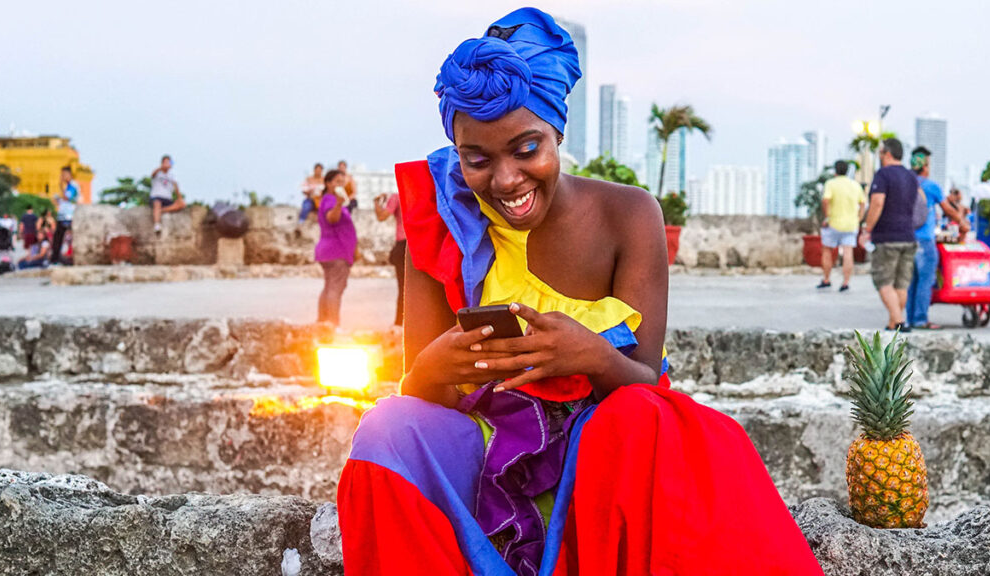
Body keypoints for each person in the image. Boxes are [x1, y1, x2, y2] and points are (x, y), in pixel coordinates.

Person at [336, 9, 822, 576]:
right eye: (477, 160)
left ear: (557, 133)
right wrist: (431, 368)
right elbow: (419, 394)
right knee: (386, 426)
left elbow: (646, 383)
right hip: (488, 453)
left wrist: (588, 356)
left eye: (526, 149)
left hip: (600, 466)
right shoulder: (441, 218)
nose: (506, 180)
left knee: (650, 418)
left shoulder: (629, 214)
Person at [906, 147, 970, 330]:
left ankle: (910, 318)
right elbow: (948, 210)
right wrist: (962, 223)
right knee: (926, 281)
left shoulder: (906, 184)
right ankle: (920, 319)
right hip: (925, 240)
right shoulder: (931, 186)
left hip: (908, 239)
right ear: (925, 166)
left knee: (912, 282)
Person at [860, 138, 918, 332]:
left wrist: (867, 229)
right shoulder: (911, 177)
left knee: (884, 281)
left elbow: (877, 203)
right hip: (908, 236)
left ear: (887, 154)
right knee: (901, 284)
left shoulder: (883, 175)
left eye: (880, 153)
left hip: (886, 237)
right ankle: (893, 322)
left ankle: (900, 321)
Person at [315, 169, 358, 326]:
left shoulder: (329, 200)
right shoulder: (331, 200)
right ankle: (332, 324)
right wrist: (339, 203)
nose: (341, 185)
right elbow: (331, 218)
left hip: (330, 250)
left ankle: (322, 323)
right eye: (337, 182)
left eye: (343, 182)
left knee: (329, 287)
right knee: (335, 289)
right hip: (335, 251)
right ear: (328, 183)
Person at [818, 160, 866, 291]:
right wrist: (859, 219)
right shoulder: (855, 185)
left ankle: (826, 279)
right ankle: (845, 282)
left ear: (835, 171)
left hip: (833, 223)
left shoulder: (831, 184)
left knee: (827, 250)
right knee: (848, 252)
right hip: (851, 225)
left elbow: (826, 200)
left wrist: (827, 217)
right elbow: (862, 203)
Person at [373, 191, 406, 325]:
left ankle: (399, 322)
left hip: (403, 244)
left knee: (403, 288)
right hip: (420, 244)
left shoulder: (397, 197)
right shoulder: (425, 193)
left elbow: (382, 216)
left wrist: (376, 203)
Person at [150, 155, 187, 234]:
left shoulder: (172, 176)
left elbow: (176, 188)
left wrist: (180, 198)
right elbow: (152, 174)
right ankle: (157, 225)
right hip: (157, 197)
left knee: (182, 204)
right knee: (157, 203)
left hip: (168, 198)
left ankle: (160, 211)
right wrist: (161, 167)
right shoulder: (158, 173)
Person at [52, 167, 79, 264]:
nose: (62, 177)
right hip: (63, 215)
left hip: (68, 216)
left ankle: (57, 258)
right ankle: (56, 258)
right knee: (58, 237)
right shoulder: (68, 186)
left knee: (61, 237)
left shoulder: (73, 185)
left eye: (63, 175)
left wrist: (60, 185)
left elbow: (67, 197)